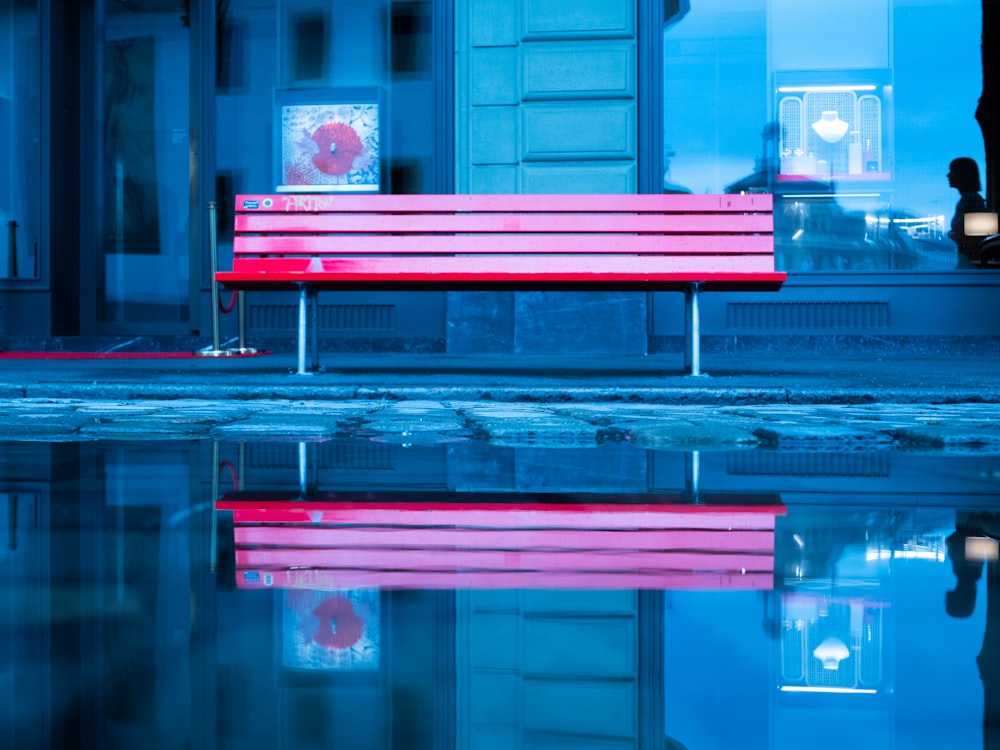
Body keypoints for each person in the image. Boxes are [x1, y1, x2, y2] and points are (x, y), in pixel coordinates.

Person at [948, 157, 987, 267]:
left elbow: (975, 238)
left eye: (953, 172)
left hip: (970, 261)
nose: (948, 175)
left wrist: (953, 235)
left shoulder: (970, 202)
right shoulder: (971, 200)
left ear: (963, 175)